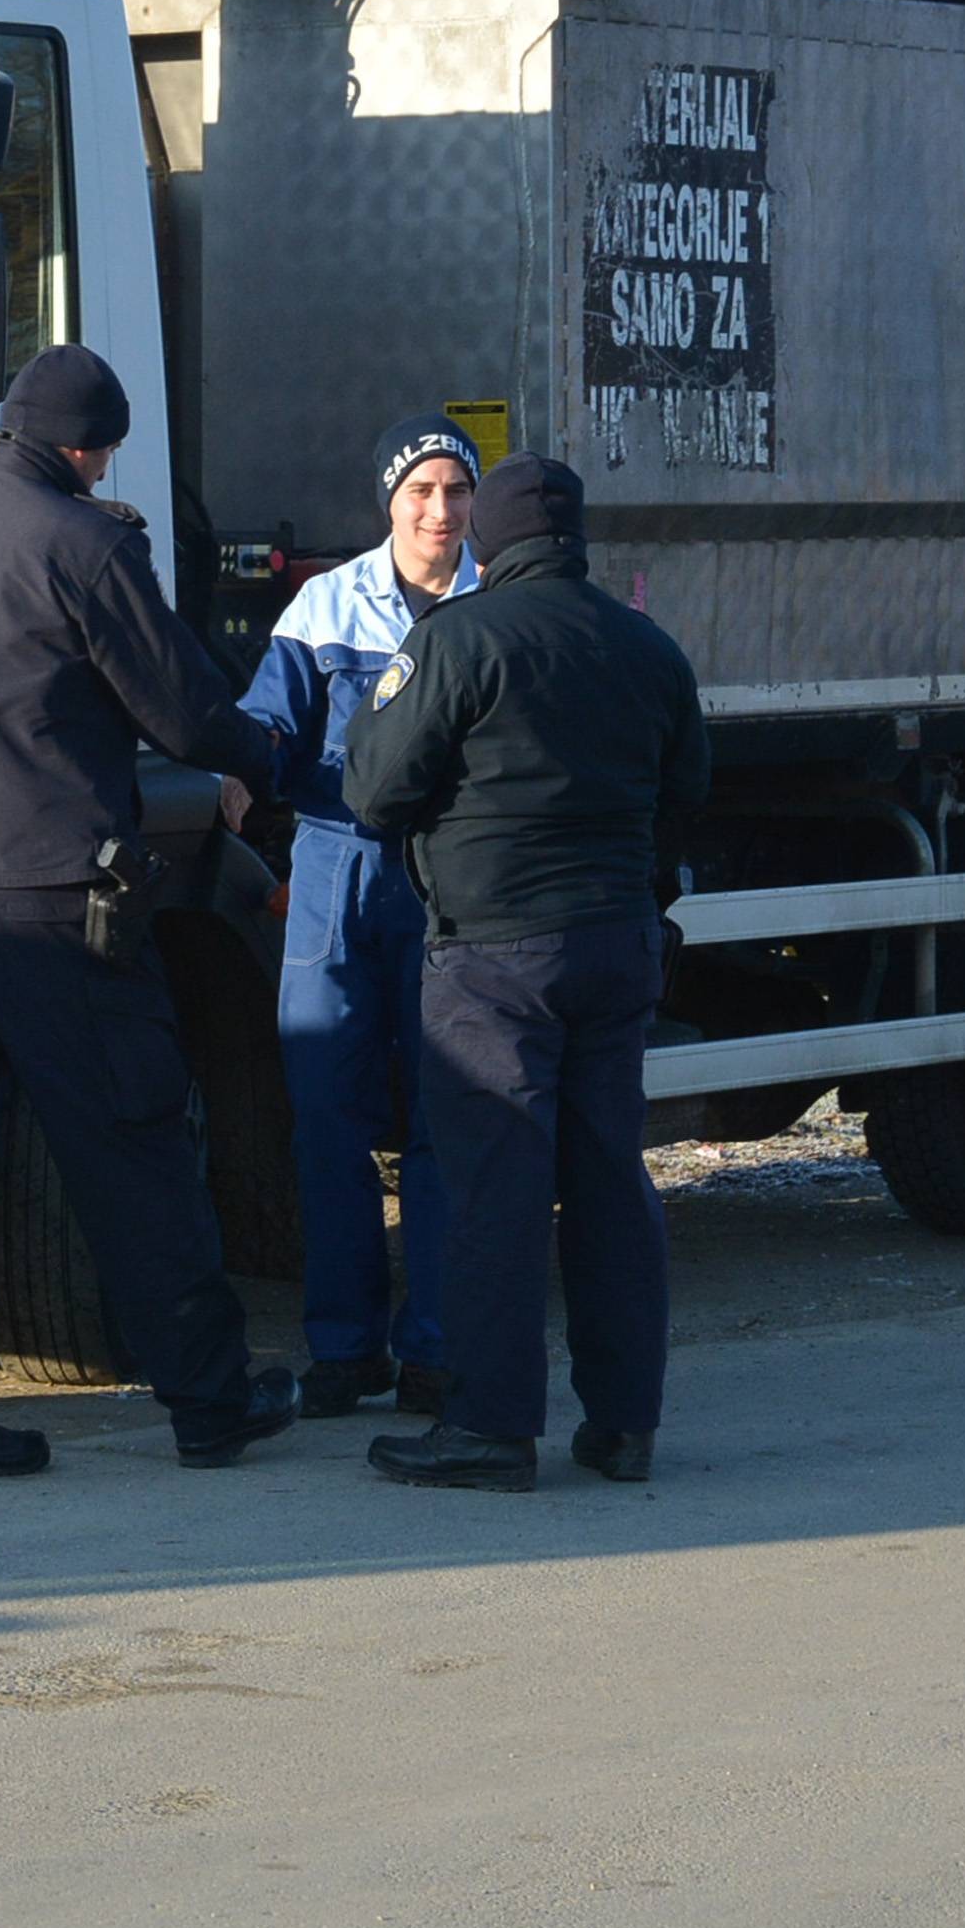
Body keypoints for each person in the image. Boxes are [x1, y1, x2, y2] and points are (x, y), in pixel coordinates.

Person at [0, 342, 299, 1482]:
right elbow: (182, 709)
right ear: (88, 445)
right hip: (58, 906)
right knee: (130, 1144)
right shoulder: (85, 545)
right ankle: (210, 1401)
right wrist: (276, 756)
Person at [342, 452, 710, 1492]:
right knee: (608, 1177)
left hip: (493, 954)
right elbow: (690, 791)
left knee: (496, 1186)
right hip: (617, 939)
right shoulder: (648, 647)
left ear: (490, 542)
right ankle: (624, 1423)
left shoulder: (455, 640)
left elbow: (374, 791)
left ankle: (493, 1426)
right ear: (577, 540)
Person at [232, 414, 482, 1419]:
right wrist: (233, 772)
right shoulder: (325, 604)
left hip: (451, 878)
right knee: (325, 1120)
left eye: (457, 491)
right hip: (335, 875)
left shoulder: (494, 602)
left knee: (443, 1118)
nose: (440, 510)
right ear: (390, 503)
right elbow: (265, 723)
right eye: (420, 492)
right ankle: (344, 1348)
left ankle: (432, 1346)